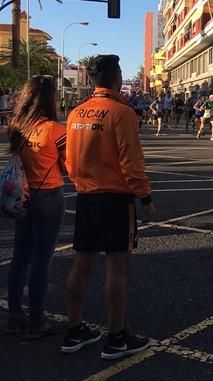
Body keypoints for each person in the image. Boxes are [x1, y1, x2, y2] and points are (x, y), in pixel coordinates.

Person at [63, 55, 155, 359]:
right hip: (115, 198)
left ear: (92, 80)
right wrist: (145, 199)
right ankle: (116, 337)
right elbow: (132, 162)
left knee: (81, 263)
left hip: (85, 196)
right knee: (117, 267)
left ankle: (74, 330)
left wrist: (81, 182)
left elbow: (69, 160)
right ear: (117, 79)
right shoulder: (121, 112)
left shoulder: (76, 113)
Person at [6, 76, 67, 338]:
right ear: (49, 99)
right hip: (48, 195)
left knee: (20, 257)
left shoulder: (17, 127)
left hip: (22, 195)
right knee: (42, 258)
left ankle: (15, 315)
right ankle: (37, 319)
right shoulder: (55, 130)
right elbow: (68, 165)